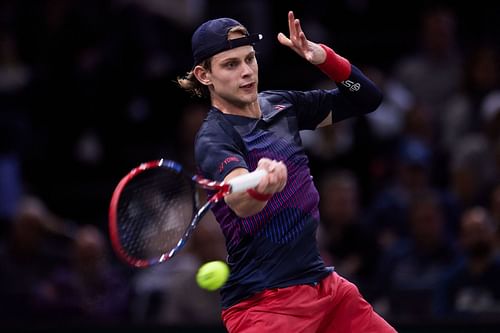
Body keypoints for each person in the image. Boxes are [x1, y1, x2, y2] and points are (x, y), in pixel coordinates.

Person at [177, 10, 396, 332]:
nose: (247, 72)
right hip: (264, 305)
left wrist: (323, 58)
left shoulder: (281, 106)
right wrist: (262, 187)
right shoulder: (214, 138)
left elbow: (366, 98)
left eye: (249, 59)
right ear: (204, 75)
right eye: (231, 64)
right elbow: (239, 199)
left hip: (325, 287)